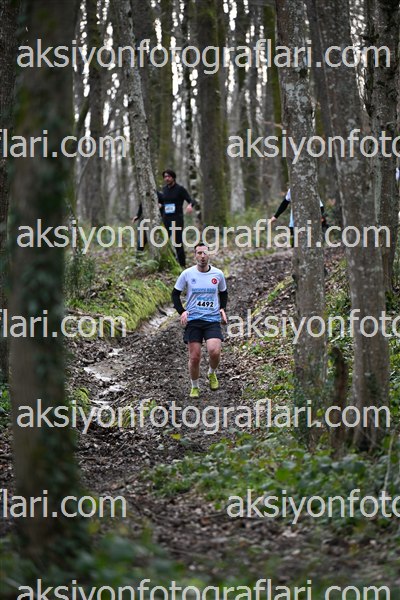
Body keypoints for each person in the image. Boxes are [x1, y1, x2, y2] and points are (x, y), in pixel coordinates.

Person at [172, 244, 228, 398]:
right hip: (194, 320)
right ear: (195, 255)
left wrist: (222, 309)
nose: (202, 256)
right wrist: (182, 311)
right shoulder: (187, 274)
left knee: (214, 351)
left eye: (205, 253)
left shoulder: (218, 274)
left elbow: (223, 293)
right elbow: (175, 294)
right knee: (195, 357)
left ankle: (211, 373)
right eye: (199, 253)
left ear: (209, 254)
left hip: (212, 319)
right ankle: (195, 386)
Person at [160, 169, 196, 267]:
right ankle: (171, 261)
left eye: (169, 176)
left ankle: (182, 264)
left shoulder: (180, 189)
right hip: (166, 219)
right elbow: (163, 202)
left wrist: (190, 205)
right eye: (165, 177)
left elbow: (191, 200)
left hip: (177, 219)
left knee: (177, 242)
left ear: (173, 177)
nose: (167, 179)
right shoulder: (164, 189)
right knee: (163, 241)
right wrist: (161, 206)